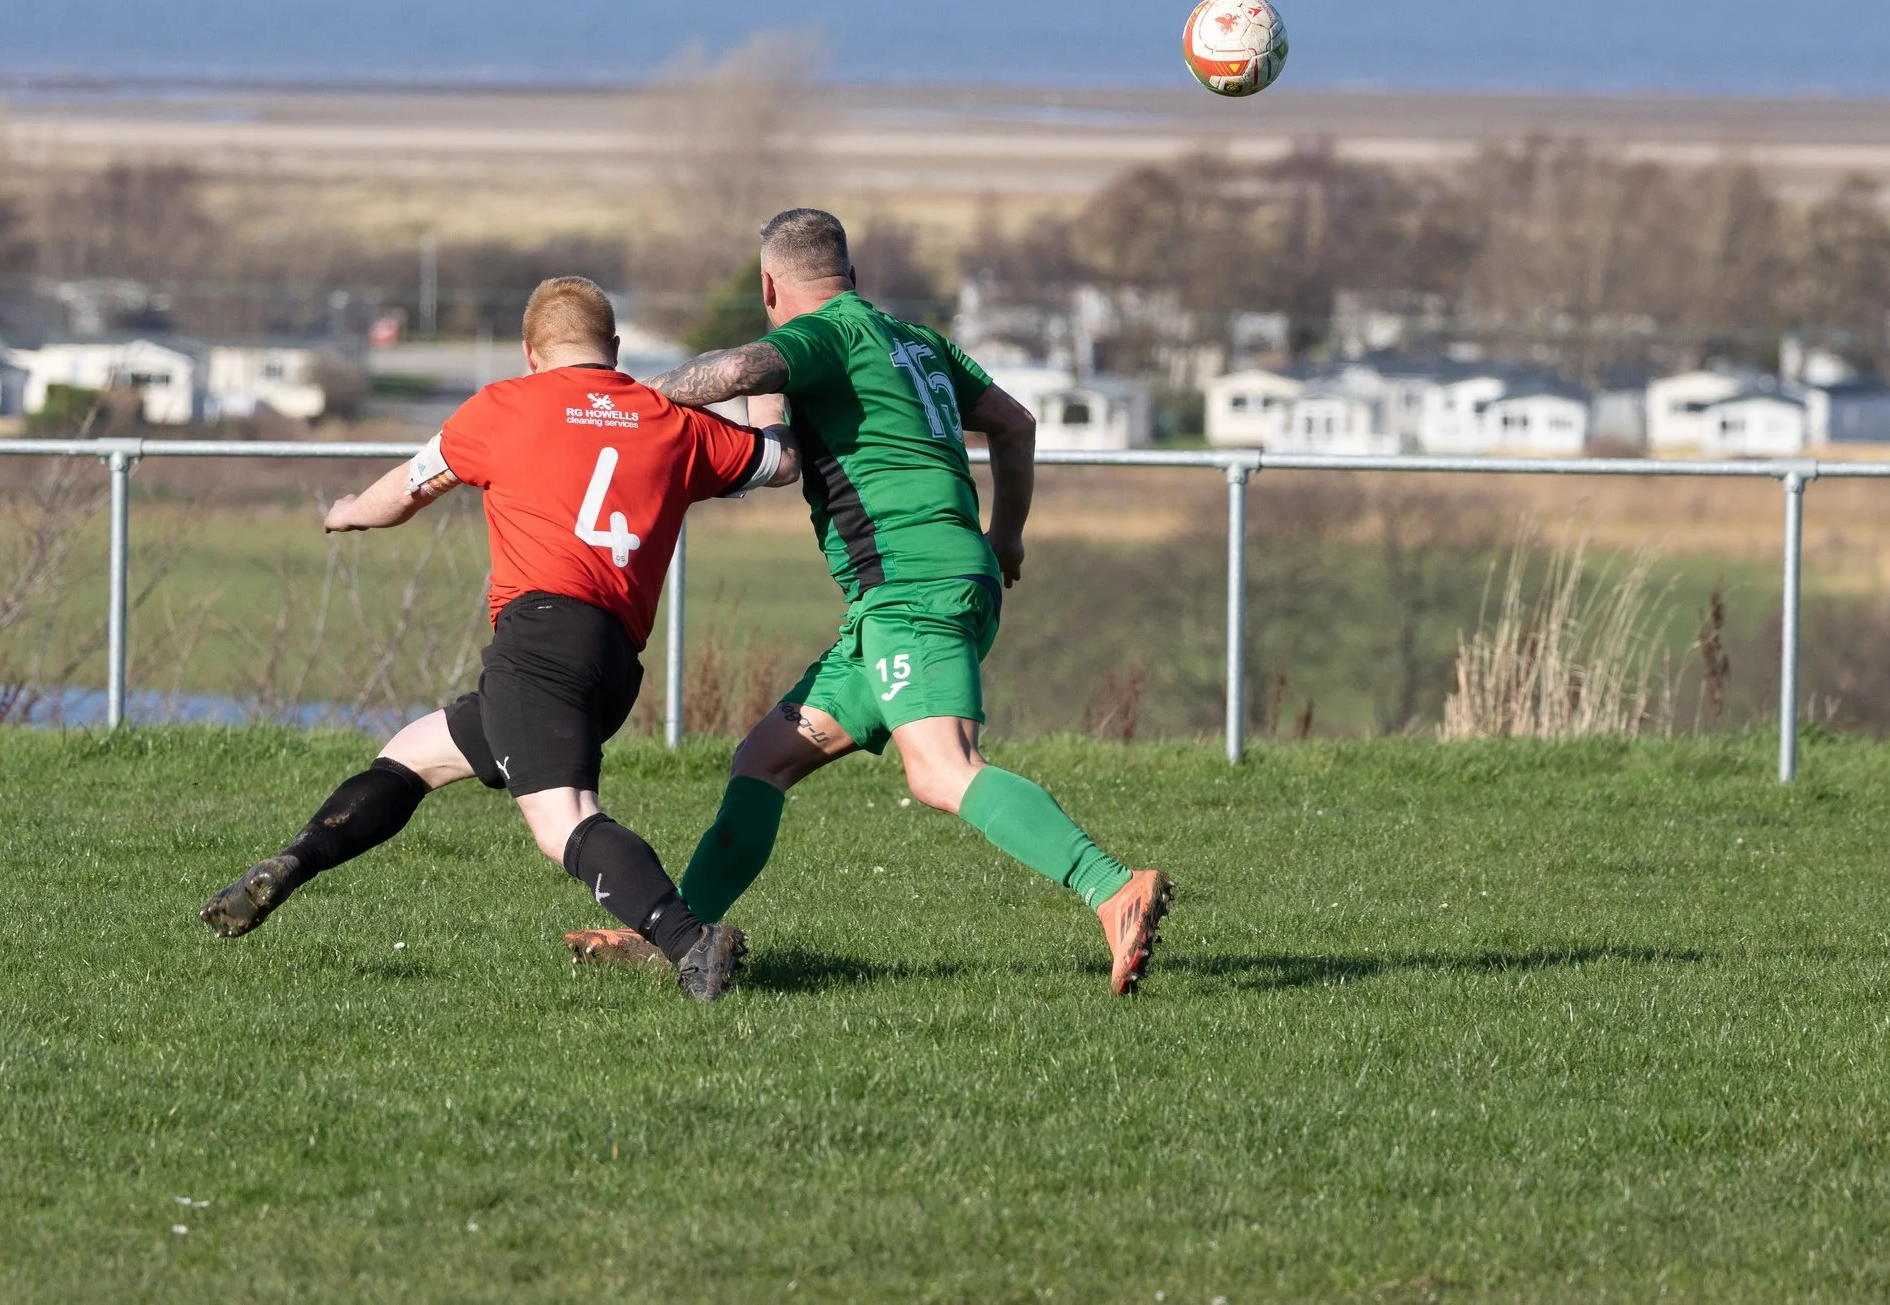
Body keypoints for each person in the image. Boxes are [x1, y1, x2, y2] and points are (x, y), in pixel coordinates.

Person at [569, 209, 1172, 995]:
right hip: (922, 592)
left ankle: (1111, 886)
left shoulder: (822, 335)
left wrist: (644, 396)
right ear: (851, 276)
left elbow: (745, 369)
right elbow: (1015, 426)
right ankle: (675, 934)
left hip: (910, 593)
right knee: (764, 760)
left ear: (769, 286)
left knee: (940, 770)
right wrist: (1007, 539)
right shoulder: (916, 342)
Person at [200, 276, 795, 1002]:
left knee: (563, 822)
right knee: (414, 757)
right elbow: (779, 461)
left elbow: (405, 492)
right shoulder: (670, 421)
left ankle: (688, 943)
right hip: (609, 662)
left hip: (539, 643)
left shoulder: (503, 408)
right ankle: (293, 862)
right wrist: (773, 373)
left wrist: (350, 511)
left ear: (528, 352)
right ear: (612, 349)